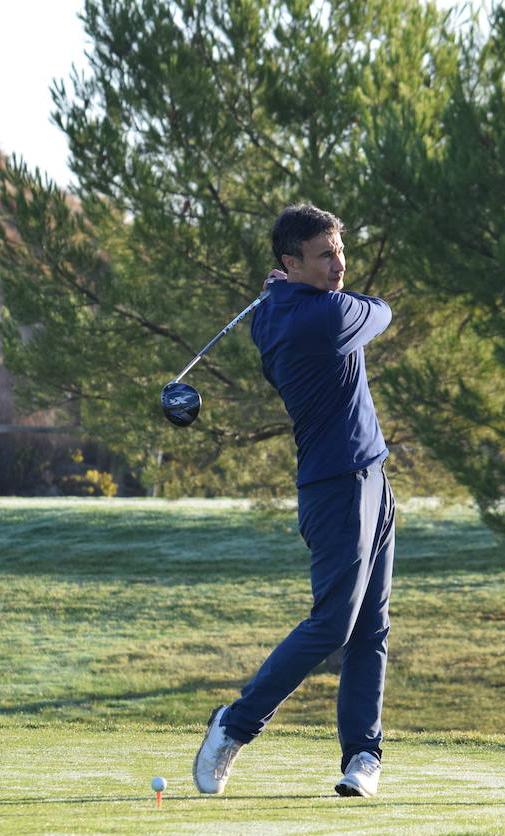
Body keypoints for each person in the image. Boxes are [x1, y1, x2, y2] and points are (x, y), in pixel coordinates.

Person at [192, 204, 395, 798]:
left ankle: (362, 755)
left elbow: (340, 302)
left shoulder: (282, 308)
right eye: (325, 255)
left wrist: (290, 289)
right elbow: (380, 313)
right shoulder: (320, 320)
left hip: (371, 476)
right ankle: (234, 724)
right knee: (334, 622)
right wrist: (344, 297)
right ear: (289, 263)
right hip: (337, 486)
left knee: (370, 626)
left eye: (340, 251)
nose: (340, 264)